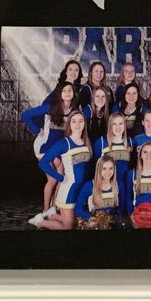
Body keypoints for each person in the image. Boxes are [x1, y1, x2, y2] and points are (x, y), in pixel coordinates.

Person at [22, 82, 77, 221]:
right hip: (45, 148)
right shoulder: (50, 107)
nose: (67, 93)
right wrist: (36, 130)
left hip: (61, 150)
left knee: (61, 180)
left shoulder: (75, 111)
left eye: (70, 90)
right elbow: (26, 115)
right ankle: (46, 210)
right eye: (64, 91)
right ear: (59, 94)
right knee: (52, 180)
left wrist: (59, 155)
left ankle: (55, 208)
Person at [34, 110, 92, 230]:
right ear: (69, 124)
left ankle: (51, 215)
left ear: (85, 123)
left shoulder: (86, 142)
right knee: (68, 227)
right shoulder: (64, 143)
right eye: (74, 121)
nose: (77, 124)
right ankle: (39, 222)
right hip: (68, 191)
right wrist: (60, 177)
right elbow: (43, 162)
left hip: (79, 190)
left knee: (75, 222)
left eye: (81, 121)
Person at [74, 155, 121, 224]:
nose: (108, 172)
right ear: (99, 169)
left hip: (112, 221)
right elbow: (77, 209)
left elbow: (121, 208)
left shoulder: (118, 184)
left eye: (111, 168)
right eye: (104, 168)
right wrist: (89, 217)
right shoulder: (89, 185)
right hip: (95, 221)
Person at [92, 113, 132, 188]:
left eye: (121, 123)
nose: (118, 127)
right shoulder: (101, 142)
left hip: (126, 185)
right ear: (110, 125)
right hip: (107, 186)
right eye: (114, 124)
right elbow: (95, 167)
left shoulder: (130, 142)